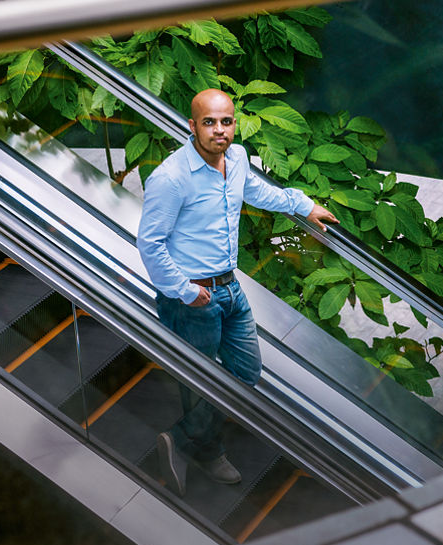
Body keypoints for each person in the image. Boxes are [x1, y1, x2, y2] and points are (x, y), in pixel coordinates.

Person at [137, 88, 337, 494]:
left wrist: (302, 205)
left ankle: (181, 437)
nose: (220, 131)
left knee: (245, 373)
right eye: (209, 122)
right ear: (192, 126)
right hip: (192, 298)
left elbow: (257, 191)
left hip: (229, 287)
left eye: (226, 121)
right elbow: (150, 243)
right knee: (200, 380)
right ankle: (207, 451)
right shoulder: (171, 178)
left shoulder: (238, 158)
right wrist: (183, 290)